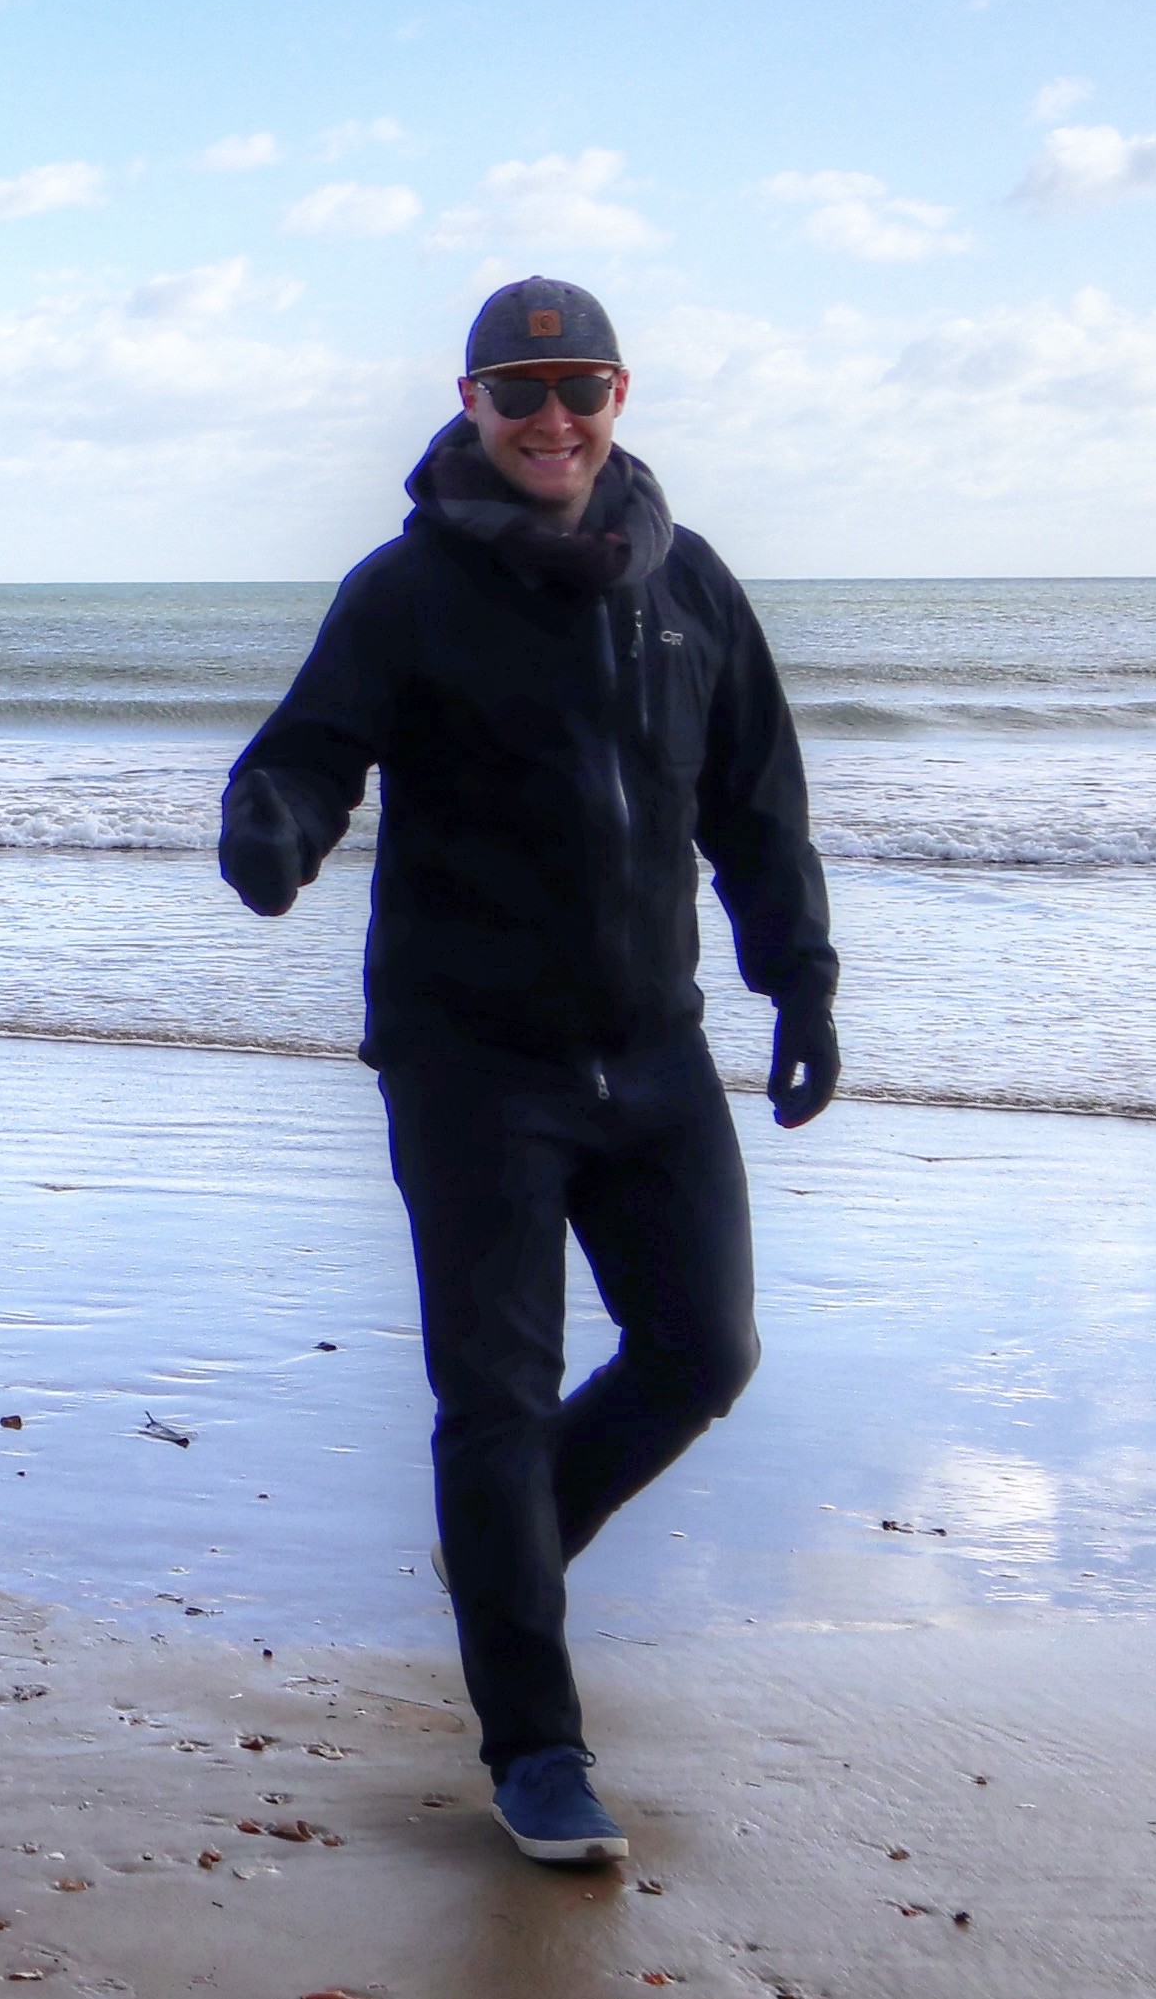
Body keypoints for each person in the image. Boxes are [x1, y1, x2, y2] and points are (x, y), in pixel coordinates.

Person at [215, 277, 837, 1867]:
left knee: (703, 1350)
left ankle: (512, 1543)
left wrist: (799, 979)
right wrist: (275, 824)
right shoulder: (407, 589)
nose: (553, 418)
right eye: (520, 390)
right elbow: (312, 746)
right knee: (491, 1400)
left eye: (583, 387)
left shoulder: (688, 583)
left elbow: (757, 800)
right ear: (472, 404)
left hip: (654, 1051)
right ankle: (538, 1753)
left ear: (621, 395)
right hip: (471, 1060)